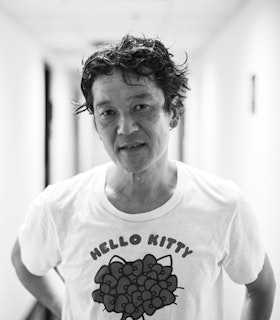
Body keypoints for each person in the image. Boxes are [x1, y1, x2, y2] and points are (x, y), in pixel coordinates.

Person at [12, 34, 275, 320]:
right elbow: (23, 261)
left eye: (141, 106)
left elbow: (261, 286)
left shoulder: (223, 204)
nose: (125, 128)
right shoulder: (59, 205)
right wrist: (66, 307)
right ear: (96, 125)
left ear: (173, 112)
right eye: (108, 113)